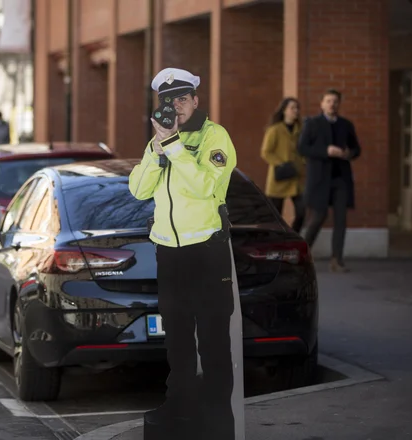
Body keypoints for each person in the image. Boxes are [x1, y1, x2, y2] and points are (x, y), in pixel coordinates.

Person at [129, 68, 239, 440]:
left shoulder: (214, 136)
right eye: (168, 101)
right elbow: (139, 190)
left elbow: (206, 186)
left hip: (206, 253)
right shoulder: (161, 139)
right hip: (169, 253)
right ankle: (179, 408)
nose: (175, 106)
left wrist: (175, 147)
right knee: (176, 339)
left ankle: (217, 418)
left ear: (194, 100)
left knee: (212, 340)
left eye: (181, 99)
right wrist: (157, 152)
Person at [297, 89, 361, 273]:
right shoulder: (313, 124)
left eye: (335, 101)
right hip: (319, 178)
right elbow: (302, 148)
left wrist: (349, 153)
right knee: (318, 217)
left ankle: (337, 260)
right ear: (322, 104)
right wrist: (326, 151)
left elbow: (356, 148)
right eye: (328, 101)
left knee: (341, 219)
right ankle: (301, 257)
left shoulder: (346, 125)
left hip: (341, 178)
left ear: (339, 104)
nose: (332, 104)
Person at [260, 97, 306, 233]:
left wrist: (303, 162)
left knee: (302, 212)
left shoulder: (301, 129)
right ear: (284, 110)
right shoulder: (275, 130)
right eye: (292, 108)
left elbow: (304, 150)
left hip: (296, 177)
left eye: (297, 108)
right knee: (275, 216)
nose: (295, 111)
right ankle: (275, 241)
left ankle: (293, 237)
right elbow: (266, 152)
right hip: (279, 177)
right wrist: (282, 163)